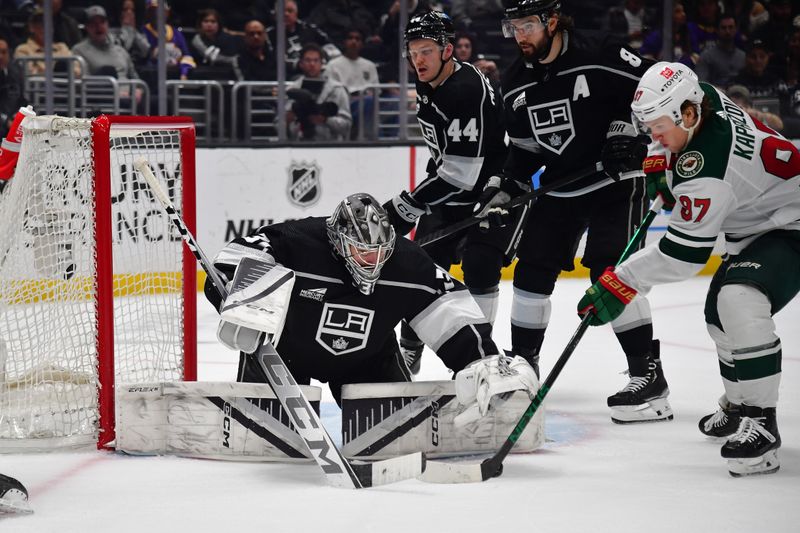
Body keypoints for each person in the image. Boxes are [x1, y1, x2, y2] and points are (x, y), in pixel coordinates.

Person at [578, 61, 800, 477]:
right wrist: (664, 170)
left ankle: (762, 421)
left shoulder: (708, 170)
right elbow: (682, 148)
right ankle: (738, 406)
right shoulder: (703, 96)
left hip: (790, 223)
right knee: (718, 314)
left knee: (739, 300)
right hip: (761, 218)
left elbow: (684, 255)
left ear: (687, 113)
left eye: (658, 127)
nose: (654, 137)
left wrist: (622, 281)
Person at [474, 0, 667, 424]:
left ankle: (648, 376)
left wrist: (631, 130)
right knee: (530, 274)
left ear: (552, 21)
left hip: (616, 182)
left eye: (527, 25)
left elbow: (660, 85)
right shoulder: (514, 84)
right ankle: (525, 371)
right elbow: (524, 153)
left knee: (609, 271)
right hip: (561, 190)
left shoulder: (601, 54)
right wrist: (504, 188)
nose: (520, 35)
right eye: (513, 27)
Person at [203, 192, 520, 406]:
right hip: (282, 356)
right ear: (339, 242)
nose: (372, 262)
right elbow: (235, 257)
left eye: (379, 252)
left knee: (393, 435)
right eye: (363, 252)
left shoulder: (407, 262)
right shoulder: (299, 242)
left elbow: (448, 305)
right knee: (274, 444)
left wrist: (481, 359)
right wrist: (246, 302)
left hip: (366, 360)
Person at [381, 11, 516, 374]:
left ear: (447, 51)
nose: (418, 59)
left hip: (489, 196)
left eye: (426, 50)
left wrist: (403, 207)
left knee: (481, 269)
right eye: (412, 51)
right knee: (420, 270)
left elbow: (461, 174)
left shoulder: (465, 89)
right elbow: (449, 166)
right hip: (449, 195)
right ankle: (410, 348)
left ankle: (481, 358)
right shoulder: (432, 81)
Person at [286, 43, 351, 141]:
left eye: (316, 60)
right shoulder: (292, 90)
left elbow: (347, 126)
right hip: (298, 145)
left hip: (330, 146)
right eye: (308, 60)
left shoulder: (337, 89)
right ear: (301, 64)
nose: (312, 64)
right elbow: (278, 126)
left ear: (322, 63)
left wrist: (325, 119)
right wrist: (289, 118)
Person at [325, 28, 379, 139]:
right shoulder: (333, 65)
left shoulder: (369, 66)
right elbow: (330, 90)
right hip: (343, 103)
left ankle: (369, 137)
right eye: (350, 38)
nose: (354, 41)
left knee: (386, 102)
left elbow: (376, 90)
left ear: (362, 44)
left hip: (366, 102)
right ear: (344, 42)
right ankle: (363, 137)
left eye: (357, 39)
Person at [266, 0, 339, 78]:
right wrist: (300, 65)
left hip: (318, 71)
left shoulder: (310, 29)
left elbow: (331, 48)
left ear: (296, 13)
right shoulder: (268, 35)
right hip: (288, 77)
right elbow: (271, 61)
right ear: (275, 15)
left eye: (290, 11)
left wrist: (323, 63)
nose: (286, 14)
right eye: (282, 11)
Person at [72, 6, 140, 82]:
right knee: (108, 70)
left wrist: (139, 89)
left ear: (107, 24)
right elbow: (83, 84)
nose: (98, 26)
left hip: (129, 91)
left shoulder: (121, 51)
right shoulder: (79, 51)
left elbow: (136, 78)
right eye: (93, 23)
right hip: (103, 92)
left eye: (102, 22)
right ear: (87, 27)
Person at [14, 9, 79, 77]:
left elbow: (77, 71)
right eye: (41, 24)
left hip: (66, 86)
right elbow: (31, 75)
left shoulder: (62, 47)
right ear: (31, 27)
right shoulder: (22, 50)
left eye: (49, 24)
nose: (45, 28)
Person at [140, 0, 195, 80]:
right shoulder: (143, 32)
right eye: (153, 11)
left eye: (160, 10)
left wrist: (184, 72)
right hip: (153, 79)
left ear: (167, 12)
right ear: (147, 13)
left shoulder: (176, 33)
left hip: (176, 78)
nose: (156, 14)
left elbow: (187, 56)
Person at [694, 14, 745, 88]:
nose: (727, 31)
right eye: (723, 28)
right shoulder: (706, 57)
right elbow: (701, 83)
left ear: (736, 29)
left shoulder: (743, 56)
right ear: (717, 30)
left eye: (731, 27)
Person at [189, 8, 240, 78]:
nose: (209, 25)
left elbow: (233, 60)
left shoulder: (228, 40)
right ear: (200, 24)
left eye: (213, 22)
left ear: (219, 24)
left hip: (225, 78)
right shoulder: (195, 41)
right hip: (202, 78)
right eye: (206, 21)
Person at [0, 37, 26, 139]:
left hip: (11, 118)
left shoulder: (15, 72)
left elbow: (21, 100)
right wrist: (6, 121)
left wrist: (18, 117)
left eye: (4, 52)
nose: (0, 56)